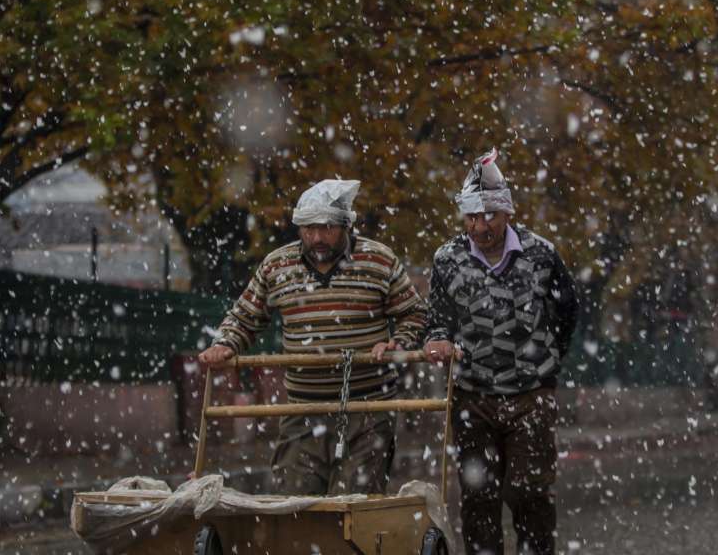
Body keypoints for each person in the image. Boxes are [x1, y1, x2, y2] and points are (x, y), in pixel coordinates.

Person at [199, 179, 428, 495]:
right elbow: (245, 317)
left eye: (327, 228)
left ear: (345, 225)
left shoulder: (379, 260)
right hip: (303, 412)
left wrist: (398, 342)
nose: (317, 237)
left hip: (367, 410)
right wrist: (226, 343)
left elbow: (414, 313)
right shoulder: (277, 266)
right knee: (294, 505)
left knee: (353, 507)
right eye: (308, 228)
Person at [424, 150, 579, 555]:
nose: (481, 226)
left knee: (529, 492)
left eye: (489, 216)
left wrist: (544, 363)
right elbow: (437, 317)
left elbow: (568, 311)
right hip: (473, 397)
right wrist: (437, 339)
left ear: (507, 212)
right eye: (472, 217)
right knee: (478, 499)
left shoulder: (541, 254)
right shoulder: (447, 259)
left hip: (530, 396)